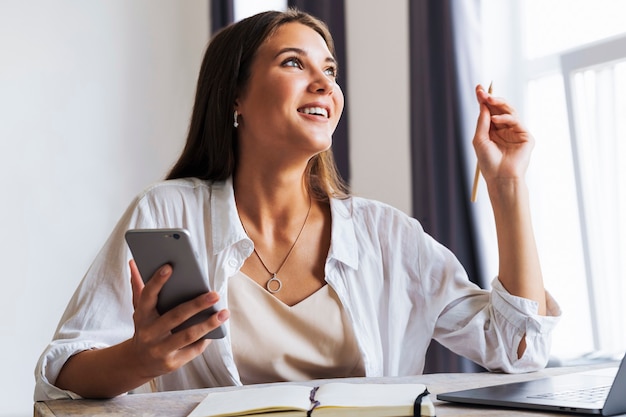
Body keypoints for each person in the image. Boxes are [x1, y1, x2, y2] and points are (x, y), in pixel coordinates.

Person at [34, 9, 560, 401]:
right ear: (234, 98)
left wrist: (507, 188)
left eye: (330, 70)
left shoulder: (387, 235)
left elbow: (518, 350)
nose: (324, 84)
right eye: (294, 62)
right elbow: (63, 368)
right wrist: (138, 358)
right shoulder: (168, 214)